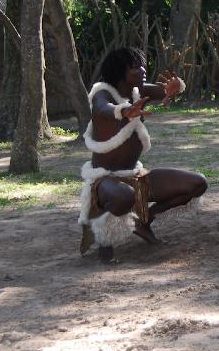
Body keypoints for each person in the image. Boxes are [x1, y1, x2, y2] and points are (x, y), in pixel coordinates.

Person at [78, 47, 207, 262]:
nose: (142, 69)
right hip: (105, 181)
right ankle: (104, 244)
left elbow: (163, 90)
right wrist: (123, 111)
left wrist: (173, 89)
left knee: (197, 184)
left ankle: (144, 221)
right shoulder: (102, 93)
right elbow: (103, 108)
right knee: (123, 196)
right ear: (120, 71)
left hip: (137, 176)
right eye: (135, 67)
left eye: (142, 64)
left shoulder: (138, 91)